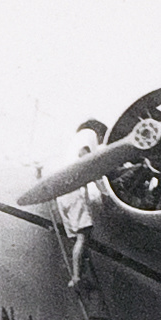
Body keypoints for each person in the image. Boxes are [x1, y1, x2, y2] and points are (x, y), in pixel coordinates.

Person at [55, 120, 106, 289]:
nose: (100, 143)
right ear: (98, 132)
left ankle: (76, 272)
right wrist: (105, 191)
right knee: (84, 234)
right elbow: (89, 162)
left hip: (61, 194)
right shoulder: (88, 135)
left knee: (75, 237)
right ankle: (76, 277)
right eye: (102, 138)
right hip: (75, 192)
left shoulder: (69, 145)